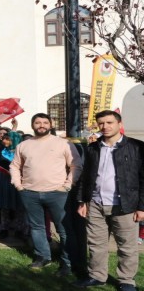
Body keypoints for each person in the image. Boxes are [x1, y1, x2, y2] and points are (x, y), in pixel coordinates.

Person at [74, 110, 144, 290]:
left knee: (127, 246)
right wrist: (82, 201)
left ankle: (127, 280)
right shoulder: (93, 148)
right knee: (96, 244)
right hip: (95, 203)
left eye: (109, 122)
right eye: (101, 123)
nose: (105, 126)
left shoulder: (137, 147)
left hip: (125, 205)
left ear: (119, 124)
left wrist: (141, 207)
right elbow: (85, 177)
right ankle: (97, 276)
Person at [10, 113, 81, 275]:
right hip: (29, 193)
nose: (41, 125)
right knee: (37, 227)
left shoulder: (63, 144)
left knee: (64, 229)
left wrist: (68, 185)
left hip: (58, 193)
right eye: (37, 122)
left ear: (51, 124)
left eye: (44, 122)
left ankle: (67, 263)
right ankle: (42, 257)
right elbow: (14, 166)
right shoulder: (24, 145)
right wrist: (18, 185)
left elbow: (76, 165)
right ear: (32, 125)